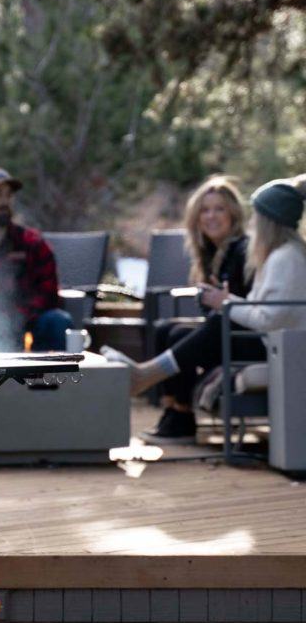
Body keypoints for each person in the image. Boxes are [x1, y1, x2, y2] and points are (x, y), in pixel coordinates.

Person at [126, 177, 306, 443]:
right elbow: (260, 309)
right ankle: (170, 406)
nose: (252, 224)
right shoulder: (278, 255)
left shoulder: (284, 259)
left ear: (269, 221)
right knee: (177, 328)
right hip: (267, 340)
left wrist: (225, 303)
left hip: (278, 346)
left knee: (214, 324)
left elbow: (267, 319)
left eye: (257, 218)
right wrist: (227, 302)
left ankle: (150, 377)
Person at [148, 175, 251, 440]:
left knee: (178, 335)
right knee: (164, 329)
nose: (211, 216)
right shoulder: (208, 254)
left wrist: (223, 301)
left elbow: (247, 310)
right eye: (205, 210)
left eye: (219, 209)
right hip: (221, 331)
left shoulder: (244, 251)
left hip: (247, 337)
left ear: (233, 214)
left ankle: (182, 413)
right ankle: (173, 411)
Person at [0, 167, 72, 351]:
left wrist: (13, 317)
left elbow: (48, 295)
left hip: (23, 324)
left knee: (58, 321)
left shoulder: (32, 243)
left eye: (9, 195)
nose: (4, 201)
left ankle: (44, 378)